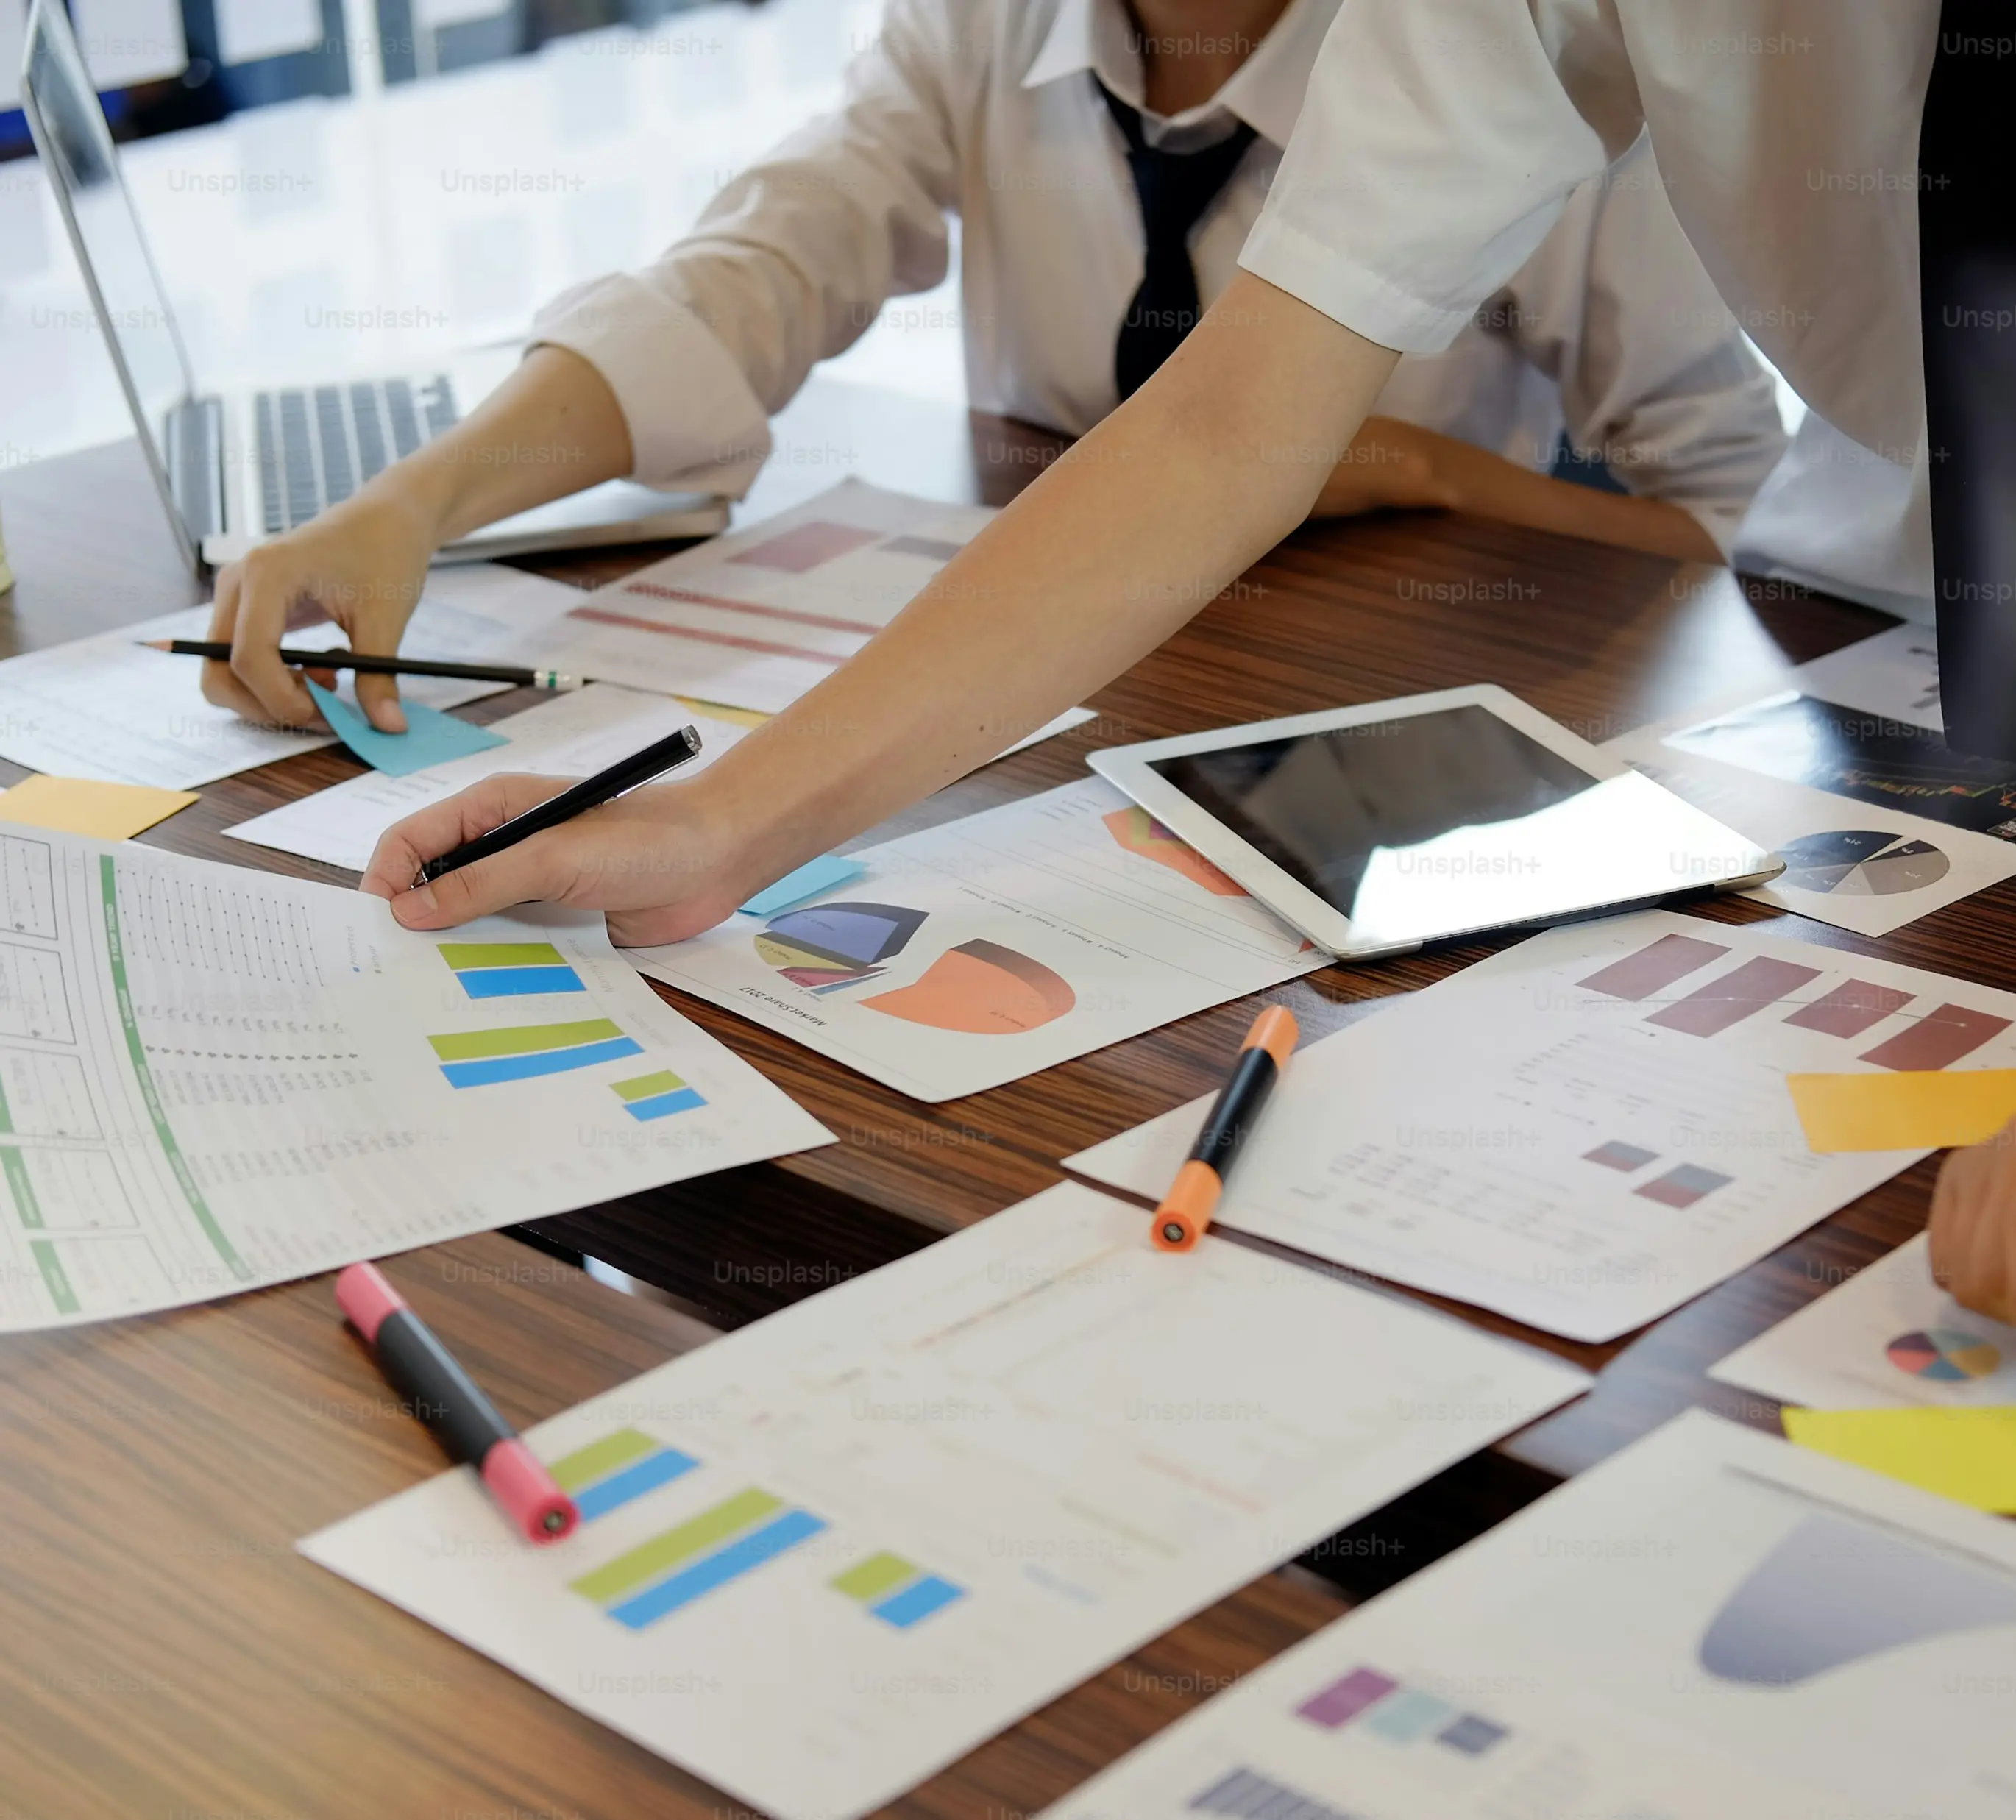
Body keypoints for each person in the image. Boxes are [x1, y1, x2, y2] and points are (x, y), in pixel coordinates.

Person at [200, 0, 1785, 737]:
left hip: (1354, 725)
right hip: (1033, 698)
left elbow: (1746, 534)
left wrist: (1438, 474)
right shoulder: (981, 25)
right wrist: (414, 502)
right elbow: (747, 279)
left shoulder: (1527, 64)